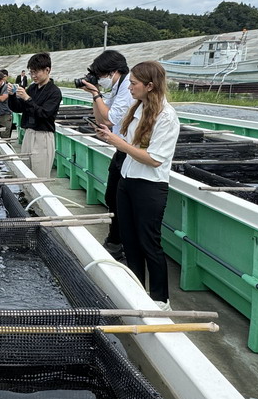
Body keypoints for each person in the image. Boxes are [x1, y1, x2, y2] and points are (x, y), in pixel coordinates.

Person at [95, 61, 180, 309]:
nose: (129, 87)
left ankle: (160, 299)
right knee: (130, 241)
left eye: (133, 83)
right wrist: (111, 138)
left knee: (148, 243)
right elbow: (130, 147)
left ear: (150, 86)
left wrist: (119, 143)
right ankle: (135, 290)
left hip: (149, 187)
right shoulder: (139, 109)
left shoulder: (166, 116)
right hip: (128, 182)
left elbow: (154, 159)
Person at [77, 50, 132, 259]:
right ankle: (115, 240)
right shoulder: (118, 87)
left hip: (129, 151)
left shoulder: (127, 87)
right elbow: (100, 118)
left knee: (120, 200)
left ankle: (117, 243)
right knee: (112, 196)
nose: (100, 80)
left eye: (101, 75)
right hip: (120, 149)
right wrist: (95, 95)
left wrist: (96, 93)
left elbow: (110, 120)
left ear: (113, 71)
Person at [7, 52, 62, 179]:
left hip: (43, 136)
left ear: (47, 70)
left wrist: (27, 99)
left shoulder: (54, 92)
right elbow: (17, 108)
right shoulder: (32, 88)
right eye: (31, 72)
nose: (33, 76)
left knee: (39, 177)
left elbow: (44, 113)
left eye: (36, 72)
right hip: (29, 133)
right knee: (25, 175)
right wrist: (11, 96)